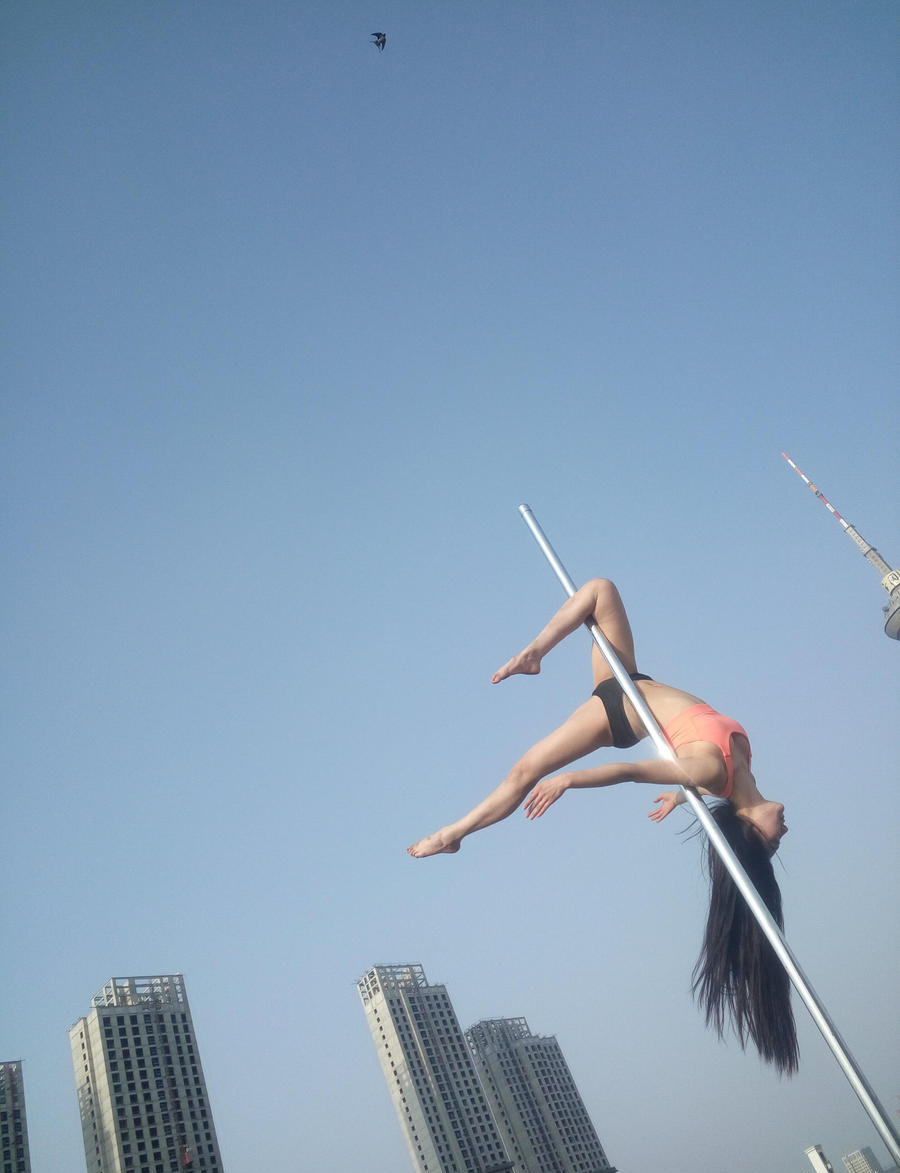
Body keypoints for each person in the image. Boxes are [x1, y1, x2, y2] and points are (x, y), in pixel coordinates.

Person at [408, 577, 798, 1074]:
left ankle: (453, 835)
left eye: (773, 843)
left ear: (750, 828)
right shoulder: (731, 777)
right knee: (599, 589)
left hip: (616, 717)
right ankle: (534, 653)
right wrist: (681, 795)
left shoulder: (711, 771)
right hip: (627, 681)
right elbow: (700, 782)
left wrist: (571, 780)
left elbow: (631, 771)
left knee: (525, 773)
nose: (784, 833)